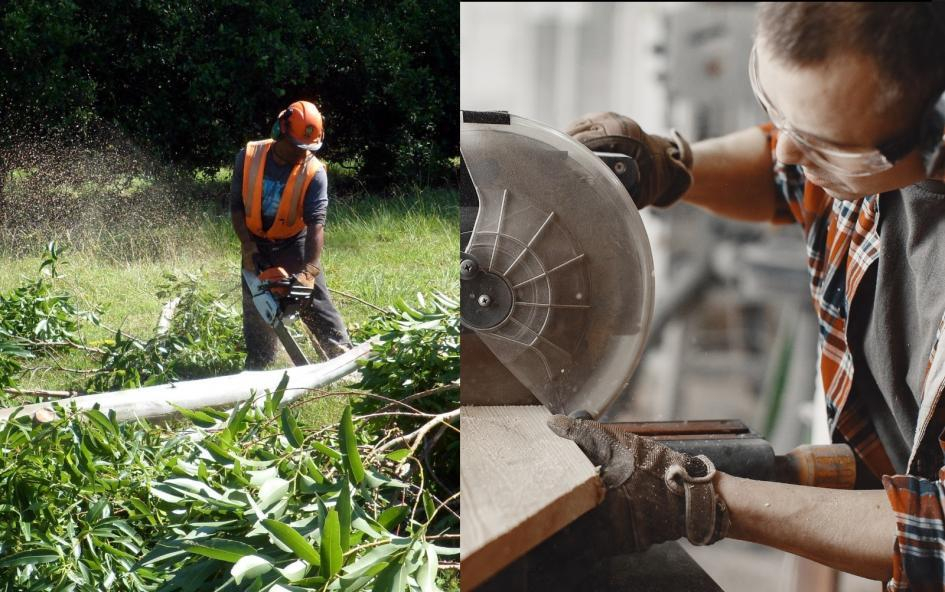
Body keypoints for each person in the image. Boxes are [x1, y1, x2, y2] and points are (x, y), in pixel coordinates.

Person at [552, 3, 945, 588]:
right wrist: (670, 165)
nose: (788, 151)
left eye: (820, 143)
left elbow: (937, 538)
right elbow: (785, 171)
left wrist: (701, 498)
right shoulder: (866, 144)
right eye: (773, 106)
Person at [230, 100, 352, 368]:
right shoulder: (249, 156)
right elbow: (236, 206)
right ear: (279, 131)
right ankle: (259, 362)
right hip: (255, 241)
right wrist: (247, 246)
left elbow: (316, 225)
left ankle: (342, 360)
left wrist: (309, 272)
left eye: (308, 148)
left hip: (293, 241)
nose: (302, 154)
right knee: (257, 308)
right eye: (298, 147)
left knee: (315, 301)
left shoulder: (314, 171)